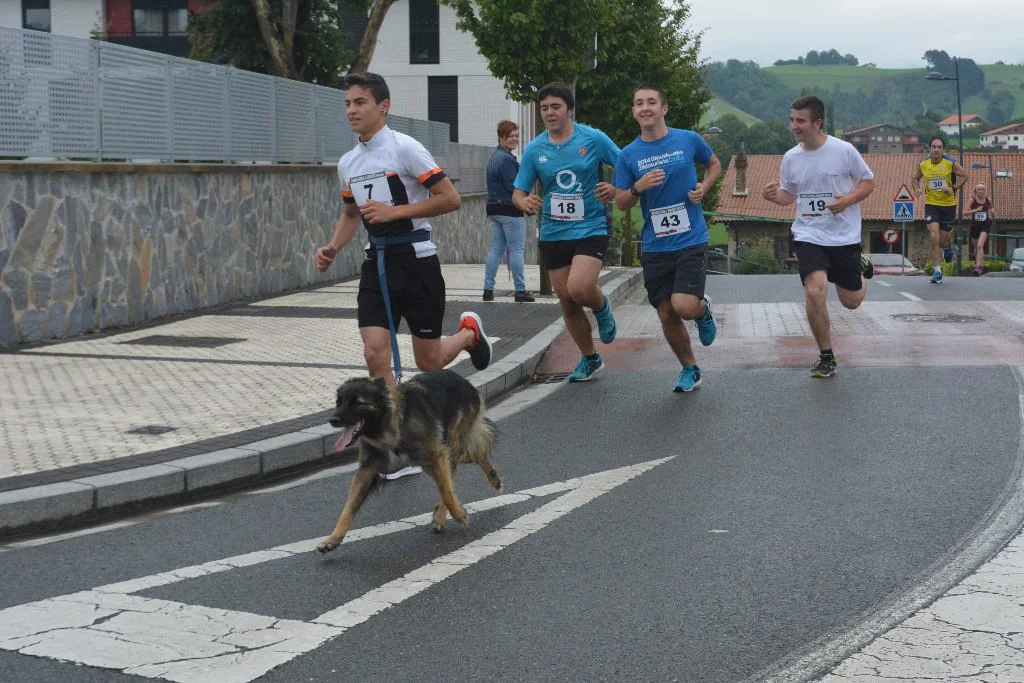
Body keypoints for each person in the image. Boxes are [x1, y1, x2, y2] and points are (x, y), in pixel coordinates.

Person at [315, 72, 492, 478]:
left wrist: (395, 212)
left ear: (384, 106)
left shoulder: (405, 149)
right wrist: (333, 247)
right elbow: (350, 214)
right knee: (374, 352)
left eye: (360, 102)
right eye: (347, 103)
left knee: (429, 360)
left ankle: (468, 335)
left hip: (416, 261)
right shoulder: (348, 163)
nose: (351, 110)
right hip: (375, 264)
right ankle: (394, 444)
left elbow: (449, 199)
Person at [613, 84, 721, 393]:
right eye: (639, 103)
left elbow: (713, 164)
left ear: (664, 108)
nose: (644, 107)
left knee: (684, 306)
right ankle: (690, 368)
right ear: (634, 112)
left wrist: (704, 187)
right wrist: (638, 187)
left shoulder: (687, 139)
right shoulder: (628, 154)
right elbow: (621, 201)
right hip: (655, 243)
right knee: (666, 312)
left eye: (651, 102)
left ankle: (702, 309)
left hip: (690, 238)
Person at [512, 82, 620, 382]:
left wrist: (615, 188)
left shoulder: (593, 138)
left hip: (591, 226)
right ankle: (590, 358)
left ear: (569, 110)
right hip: (554, 232)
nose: (550, 113)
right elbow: (518, 192)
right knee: (568, 301)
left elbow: (626, 164)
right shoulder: (535, 149)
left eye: (555, 107)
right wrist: (525, 202)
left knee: (580, 287)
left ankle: (601, 307)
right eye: (544, 108)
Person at [763, 95, 875, 379]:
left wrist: (848, 200)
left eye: (800, 121)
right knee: (815, 290)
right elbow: (789, 196)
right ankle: (826, 356)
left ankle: (860, 266)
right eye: (792, 120)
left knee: (851, 302)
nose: (794, 126)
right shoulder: (791, 157)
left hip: (843, 235)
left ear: (818, 123)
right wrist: (775, 196)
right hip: (808, 232)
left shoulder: (844, 151)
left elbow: (868, 182)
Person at [484, 120, 534, 302]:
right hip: (509, 209)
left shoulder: (494, 157)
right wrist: (526, 202)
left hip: (494, 208)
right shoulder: (506, 159)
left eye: (516, 136)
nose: (514, 139)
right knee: (516, 249)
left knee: (496, 249)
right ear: (501, 137)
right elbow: (514, 186)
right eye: (510, 136)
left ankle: (487, 290)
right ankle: (520, 291)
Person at [911, 136, 967, 283]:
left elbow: (964, 176)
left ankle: (947, 246)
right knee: (933, 237)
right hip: (932, 204)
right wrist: (917, 189)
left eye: (939, 147)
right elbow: (915, 178)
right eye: (934, 147)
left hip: (948, 205)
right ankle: (937, 271)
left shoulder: (950, 163)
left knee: (943, 240)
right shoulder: (923, 164)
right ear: (929, 148)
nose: (936, 150)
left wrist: (953, 188)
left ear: (943, 149)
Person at [964, 183, 994, 275]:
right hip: (975, 226)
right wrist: (976, 210)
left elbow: (991, 208)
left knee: (980, 245)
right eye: (979, 189)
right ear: (976, 191)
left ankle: (978, 267)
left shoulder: (988, 200)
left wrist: (991, 213)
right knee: (976, 248)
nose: (981, 191)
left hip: (985, 225)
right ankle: (979, 263)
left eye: (982, 189)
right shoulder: (972, 200)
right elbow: (965, 213)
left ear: (985, 191)